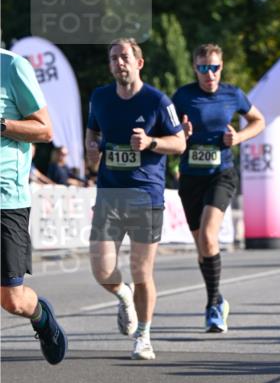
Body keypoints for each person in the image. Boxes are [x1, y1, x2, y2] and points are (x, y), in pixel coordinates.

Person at [86, 38, 186, 360]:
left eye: (125, 57)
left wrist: (152, 142)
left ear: (138, 62)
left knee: (142, 272)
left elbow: (180, 143)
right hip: (109, 196)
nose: (119, 63)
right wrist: (91, 151)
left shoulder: (157, 100)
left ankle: (143, 335)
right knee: (102, 271)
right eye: (114, 58)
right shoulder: (99, 98)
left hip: (146, 196)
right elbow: (93, 135)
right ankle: (123, 295)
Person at [172, 45, 265, 331]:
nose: (209, 73)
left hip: (221, 174)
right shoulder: (183, 96)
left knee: (210, 238)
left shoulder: (232, 94)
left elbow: (258, 121)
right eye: (203, 68)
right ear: (195, 69)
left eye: (214, 67)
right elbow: (166, 130)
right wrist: (181, 134)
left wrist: (238, 138)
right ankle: (218, 299)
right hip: (190, 178)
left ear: (221, 67)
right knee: (203, 246)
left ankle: (212, 306)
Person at [0, 49, 68, 363]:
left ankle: (41, 318)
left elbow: (45, 129)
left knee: (12, 300)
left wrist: (2, 125)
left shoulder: (13, 66)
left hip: (6, 200)